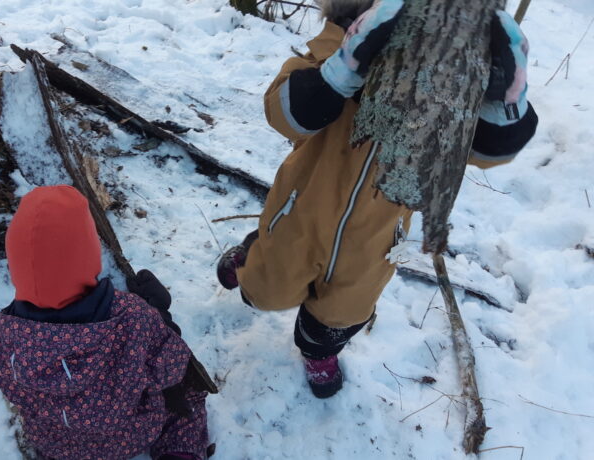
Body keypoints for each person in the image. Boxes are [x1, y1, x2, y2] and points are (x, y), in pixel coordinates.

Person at [217, 0, 538, 399]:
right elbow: (282, 112)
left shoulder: (453, 83)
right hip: (299, 216)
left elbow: (487, 153)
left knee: (341, 314)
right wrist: (341, 70)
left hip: (375, 240)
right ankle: (252, 255)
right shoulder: (342, 41)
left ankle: (319, 351)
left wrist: (503, 104)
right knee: (264, 292)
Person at [0, 185, 211, 460]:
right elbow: (171, 366)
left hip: (57, 444)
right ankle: (180, 453)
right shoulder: (131, 316)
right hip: (128, 435)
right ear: (89, 252)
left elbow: (12, 388)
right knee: (189, 397)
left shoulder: (9, 332)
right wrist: (161, 313)